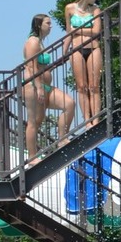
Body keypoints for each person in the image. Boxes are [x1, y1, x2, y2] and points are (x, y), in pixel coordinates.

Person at [22, 13, 75, 159]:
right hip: (33, 85)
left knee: (69, 104)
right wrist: (39, 87)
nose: (50, 26)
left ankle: (62, 138)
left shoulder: (40, 42)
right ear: (39, 25)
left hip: (45, 86)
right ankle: (32, 157)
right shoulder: (33, 42)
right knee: (34, 121)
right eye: (48, 23)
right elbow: (32, 67)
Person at [62, 0, 103, 128]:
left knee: (94, 86)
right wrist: (64, 51)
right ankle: (87, 121)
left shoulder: (95, 9)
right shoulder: (70, 8)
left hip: (93, 48)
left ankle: (96, 119)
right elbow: (69, 32)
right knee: (81, 86)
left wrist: (78, 30)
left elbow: (96, 31)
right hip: (76, 49)